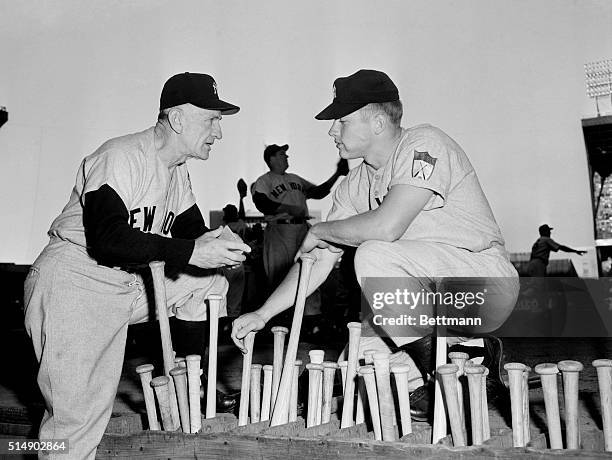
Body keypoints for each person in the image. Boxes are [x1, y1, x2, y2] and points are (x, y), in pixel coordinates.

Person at [232, 69, 519, 420]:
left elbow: (386, 227)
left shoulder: (424, 144)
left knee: (372, 254)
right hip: (433, 301)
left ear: (379, 122)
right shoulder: (355, 184)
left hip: (483, 286)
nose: (331, 130)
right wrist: (263, 313)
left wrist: (321, 230)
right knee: (358, 360)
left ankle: (454, 367)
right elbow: (316, 261)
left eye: (342, 121)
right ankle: (459, 365)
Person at [23, 72, 251, 459]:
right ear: (177, 119)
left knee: (208, 282)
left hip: (125, 286)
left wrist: (219, 243)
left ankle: (190, 379)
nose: (218, 131)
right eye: (211, 119)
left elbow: (191, 235)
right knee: (74, 429)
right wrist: (193, 250)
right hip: (73, 282)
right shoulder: (122, 155)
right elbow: (107, 240)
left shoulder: (177, 172)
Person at [251, 144, 348, 330]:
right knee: (278, 275)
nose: (286, 156)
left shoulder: (294, 179)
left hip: (301, 228)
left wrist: (337, 174)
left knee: (308, 269)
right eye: (282, 154)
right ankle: (279, 324)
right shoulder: (265, 180)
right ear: (271, 158)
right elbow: (261, 202)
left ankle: (311, 323)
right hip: (280, 230)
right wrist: (286, 208)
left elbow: (319, 192)